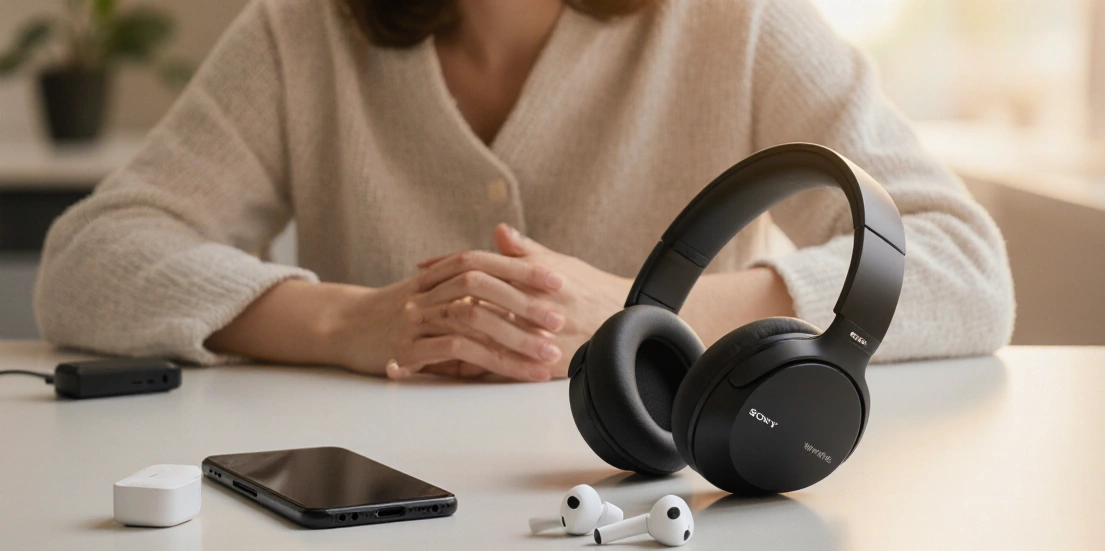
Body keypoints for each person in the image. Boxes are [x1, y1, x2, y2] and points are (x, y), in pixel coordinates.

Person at [34, 0, 1015, 383]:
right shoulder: (302, 34)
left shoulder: (739, 24)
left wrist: (650, 316)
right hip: (378, 544)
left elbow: (962, 267)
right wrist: (349, 322)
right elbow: (91, 256)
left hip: (675, 548)